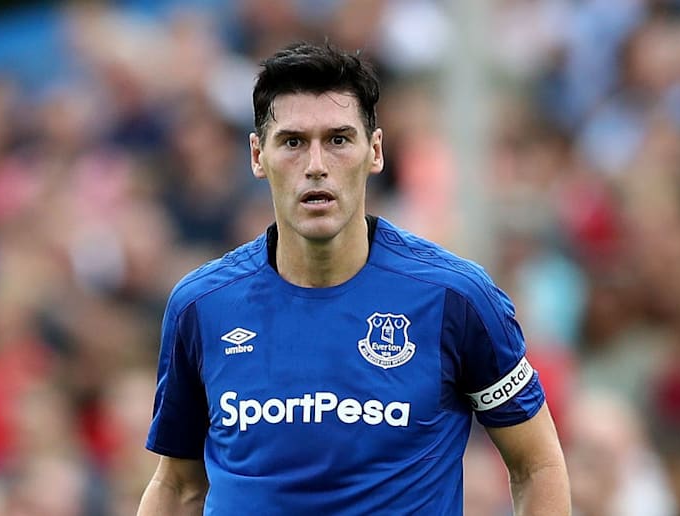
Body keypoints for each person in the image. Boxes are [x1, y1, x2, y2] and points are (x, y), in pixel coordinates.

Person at [138, 42, 570, 515]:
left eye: (339, 139)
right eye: (293, 142)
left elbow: (537, 465)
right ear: (258, 156)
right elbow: (178, 486)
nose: (317, 165)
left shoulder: (456, 298)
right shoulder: (203, 306)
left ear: (376, 151)